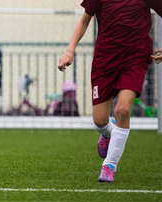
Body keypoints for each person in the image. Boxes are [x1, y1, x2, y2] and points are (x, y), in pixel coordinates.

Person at [58, 0, 162, 182]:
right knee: (99, 121)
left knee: (123, 109)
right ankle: (107, 132)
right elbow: (84, 20)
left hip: (135, 59)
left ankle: (109, 166)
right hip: (105, 60)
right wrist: (69, 50)